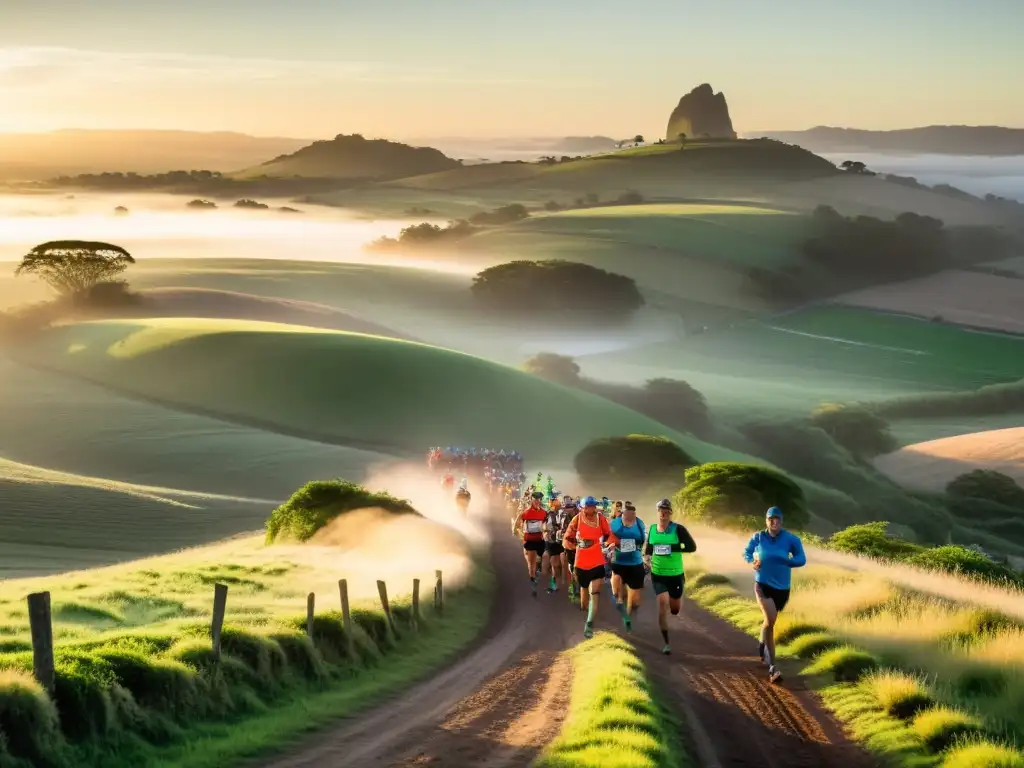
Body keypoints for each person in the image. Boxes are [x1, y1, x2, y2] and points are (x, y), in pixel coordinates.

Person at [743, 506, 806, 684]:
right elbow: (746, 552)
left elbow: (802, 558)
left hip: (782, 589)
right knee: (771, 622)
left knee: (768, 622)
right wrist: (752, 562)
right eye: (771, 519)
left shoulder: (790, 539)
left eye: (777, 519)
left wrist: (788, 561)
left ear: (781, 521)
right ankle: (773, 668)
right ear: (766, 521)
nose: (774, 522)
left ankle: (762, 643)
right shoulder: (759, 537)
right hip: (762, 585)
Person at [643, 498, 697, 655]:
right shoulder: (652, 529)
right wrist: (647, 559)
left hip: (675, 574)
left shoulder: (678, 529)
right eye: (661, 511)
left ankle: (676, 603)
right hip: (658, 574)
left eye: (667, 511)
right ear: (658, 512)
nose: (664, 514)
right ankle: (666, 643)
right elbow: (648, 549)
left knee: (674, 609)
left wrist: (671, 547)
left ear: (670, 513)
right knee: (662, 604)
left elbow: (691, 547)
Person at [563, 496, 617, 638]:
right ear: (582, 507)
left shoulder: (601, 519)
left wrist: (609, 544)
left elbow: (609, 534)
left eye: (592, 506)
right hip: (581, 559)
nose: (590, 509)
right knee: (584, 594)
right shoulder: (577, 519)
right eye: (587, 507)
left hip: (597, 558)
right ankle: (585, 611)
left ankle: (589, 623)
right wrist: (572, 546)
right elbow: (568, 537)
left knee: (595, 592)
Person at [609, 502, 646, 631]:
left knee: (635, 599)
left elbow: (643, 540)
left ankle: (629, 615)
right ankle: (626, 618)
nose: (631, 516)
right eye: (628, 513)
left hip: (635, 562)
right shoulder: (614, 523)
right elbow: (608, 538)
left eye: (633, 514)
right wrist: (614, 544)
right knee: (620, 594)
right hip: (619, 562)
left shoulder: (640, 524)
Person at [513, 490, 548, 596]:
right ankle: (533, 582)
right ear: (532, 500)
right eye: (535, 499)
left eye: (539, 499)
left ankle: (537, 572)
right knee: (531, 563)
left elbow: (545, 524)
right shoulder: (526, 512)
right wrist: (515, 530)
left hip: (540, 540)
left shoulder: (543, 513)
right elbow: (518, 520)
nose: (537, 501)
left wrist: (546, 530)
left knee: (542, 559)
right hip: (530, 540)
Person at [544, 497, 573, 593]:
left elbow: (570, 527)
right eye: (553, 503)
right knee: (555, 564)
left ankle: (570, 584)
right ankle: (554, 584)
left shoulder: (567, 515)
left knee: (567, 563)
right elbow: (545, 526)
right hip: (553, 541)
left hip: (563, 541)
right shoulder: (548, 514)